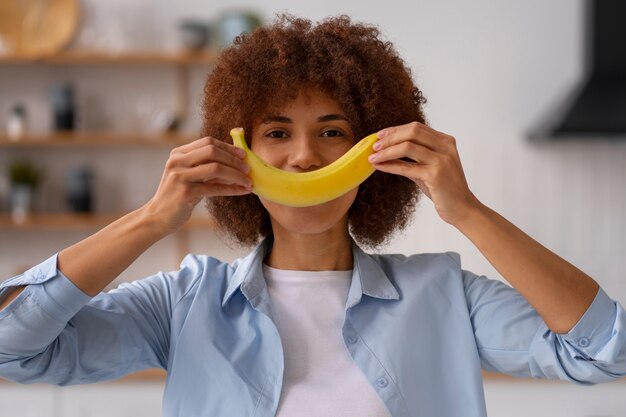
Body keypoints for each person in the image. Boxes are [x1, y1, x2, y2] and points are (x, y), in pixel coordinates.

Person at [0, 14, 625, 417]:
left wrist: (469, 212)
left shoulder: (444, 296)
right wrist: (151, 220)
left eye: (332, 131)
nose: (303, 157)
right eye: (277, 132)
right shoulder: (185, 301)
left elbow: (603, 352)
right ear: (239, 150)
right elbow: (12, 350)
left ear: (374, 150)